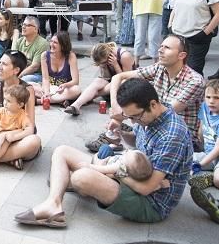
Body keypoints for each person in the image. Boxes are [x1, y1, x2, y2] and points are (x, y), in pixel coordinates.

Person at [16, 78, 192, 227]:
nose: (133, 121)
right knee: (62, 151)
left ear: (153, 105)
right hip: (131, 172)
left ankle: (69, 181)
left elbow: (147, 188)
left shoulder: (171, 136)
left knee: (81, 177)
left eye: (135, 117)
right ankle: (53, 204)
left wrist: (115, 171)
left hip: (151, 202)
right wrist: (122, 132)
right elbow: (136, 141)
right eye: (129, 117)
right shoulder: (150, 114)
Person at [85, 35, 204, 152]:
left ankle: (117, 135)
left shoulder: (194, 81)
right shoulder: (160, 67)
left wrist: (125, 115)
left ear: (181, 55)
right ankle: (119, 133)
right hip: (153, 124)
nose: (160, 50)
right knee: (129, 87)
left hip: (179, 137)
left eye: (167, 48)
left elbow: (165, 113)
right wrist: (115, 105)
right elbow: (118, 77)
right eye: (161, 46)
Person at [64, 42, 134, 116]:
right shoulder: (101, 58)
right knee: (98, 81)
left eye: (104, 62)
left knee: (114, 82)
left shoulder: (125, 56)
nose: (102, 64)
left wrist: (116, 65)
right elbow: (106, 77)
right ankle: (75, 105)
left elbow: (126, 81)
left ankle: (82, 98)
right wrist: (104, 67)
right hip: (110, 87)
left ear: (109, 55)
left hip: (126, 88)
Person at [31, 31, 81, 105]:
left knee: (76, 90)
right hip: (49, 88)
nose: (51, 44)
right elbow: (45, 78)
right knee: (29, 85)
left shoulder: (71, 56)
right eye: (51, 41)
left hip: (63, 90)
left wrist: (65, 85)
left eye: (55, 43)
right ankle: (59, 100)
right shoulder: (44, 55)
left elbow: (75, 81)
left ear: (63, 45)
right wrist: (47, 92)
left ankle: (39, 101)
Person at [12, 16, 49, 84]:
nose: (23, 27)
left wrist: (18, 75)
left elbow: (34, 67)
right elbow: (13, 58)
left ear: (36, 29)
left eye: (27, 25)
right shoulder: (19, 41)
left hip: (36, 74)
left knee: (23, 80)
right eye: (23, 24)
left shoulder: (42, 43)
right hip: (19, 70)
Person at [87, 149, 153, 181]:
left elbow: (103, 169)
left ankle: (97, 159)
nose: (128, 150)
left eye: (127, 153)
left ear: (124, 166)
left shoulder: (118, 167)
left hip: (106, 163)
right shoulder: (130, 169)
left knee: (106, 148)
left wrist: (90, 165)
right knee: (116, 153)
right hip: (115, 159)